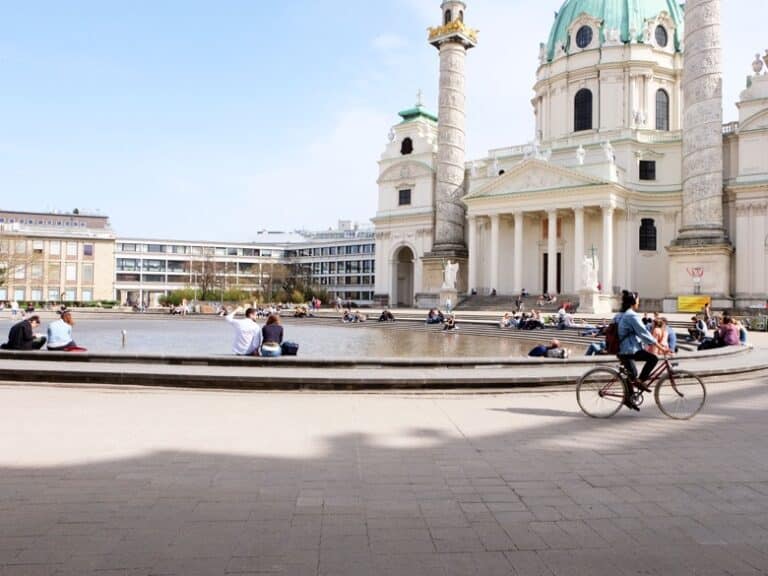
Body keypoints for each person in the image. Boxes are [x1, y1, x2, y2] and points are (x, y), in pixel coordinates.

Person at [615, 290, 669, 409]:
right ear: (633, 301)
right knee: (653, 359)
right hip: (628, 350)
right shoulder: (632, 315)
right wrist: (660, 347)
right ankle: (639, 383)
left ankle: (629, 398)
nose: (639, 302)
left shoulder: (622, 313)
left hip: (623, 349)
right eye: (638, 300)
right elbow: (643, 333)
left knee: (631, 374)